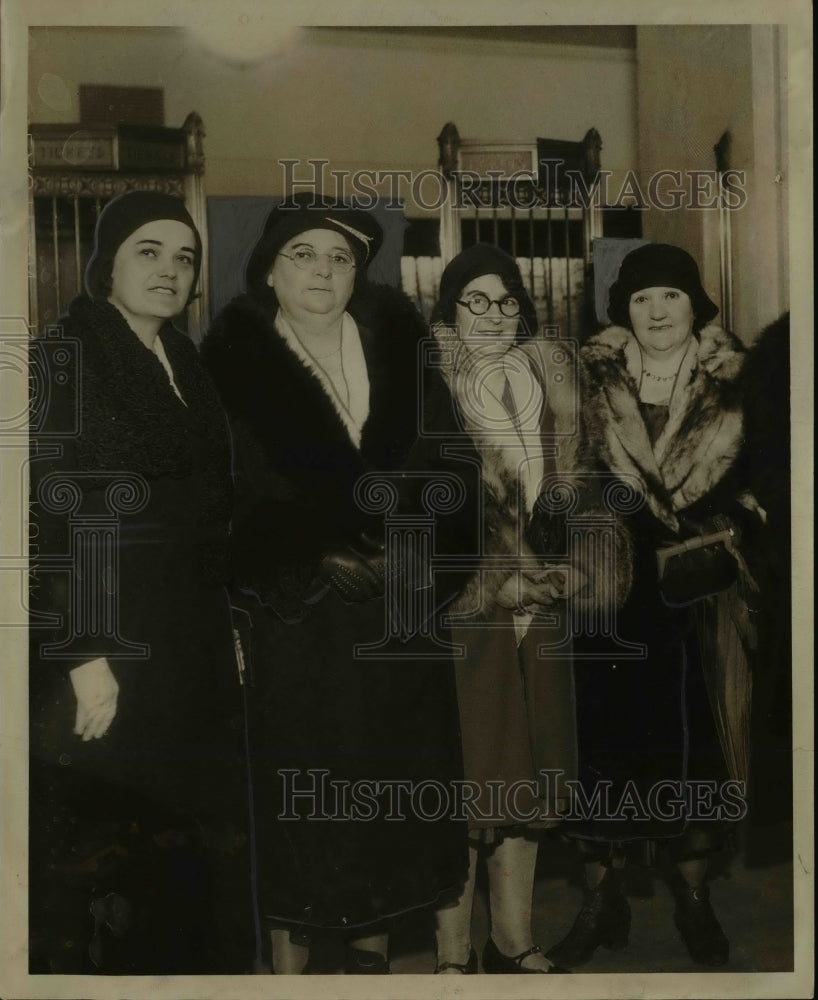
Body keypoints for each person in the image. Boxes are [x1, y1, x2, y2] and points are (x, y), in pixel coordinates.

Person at [201, 194, 468, 974]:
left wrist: (416, 554)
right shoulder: (229, 365)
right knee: (307, 799)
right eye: (303, 255)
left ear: (359, 274)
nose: (323, 270)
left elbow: (455, 469)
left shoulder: (401, 351)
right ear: (270, 272)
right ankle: (292, 977)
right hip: (301, 626)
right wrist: (312, 554)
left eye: (340, 258)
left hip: (401, 615)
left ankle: (371, 965)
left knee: (387, 802)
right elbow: (221, 496)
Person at [29, 191, 251, 973]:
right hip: (111, 648)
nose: (170, 269)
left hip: (188, 643)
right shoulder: (67, 353)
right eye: (147, 252)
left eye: (184, 257)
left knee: (194, 852)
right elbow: (51, 515)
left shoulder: (184, 359)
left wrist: (226, 622)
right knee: (120, 867)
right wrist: (86, 654)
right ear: (107, 265)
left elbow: (205, 510)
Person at [547, 243, 760, 969]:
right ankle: (598, 899)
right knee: (604, 749)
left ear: (695, 305)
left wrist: (739, 523)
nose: (658, 310)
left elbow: (773, 478)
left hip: (700, 597)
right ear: (624, 311)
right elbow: (558, 478)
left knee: (697, 751)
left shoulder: (739, 383)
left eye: (670, 296)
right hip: (610, 593)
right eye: (641, 299)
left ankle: (693, 899)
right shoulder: (585, 379)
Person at [427, 244, 624, 974]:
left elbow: (582, 487)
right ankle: (452, 951)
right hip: (468, 600)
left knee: (532, 770)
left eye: (506, 299)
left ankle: (513, 939)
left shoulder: (550, 377)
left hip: (541, 602)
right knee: (470, 776)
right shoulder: (429, 382)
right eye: (474, 299)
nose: (494, 314)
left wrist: (577, 565)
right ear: (448, 308)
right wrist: (489, 576)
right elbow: (426, 507)